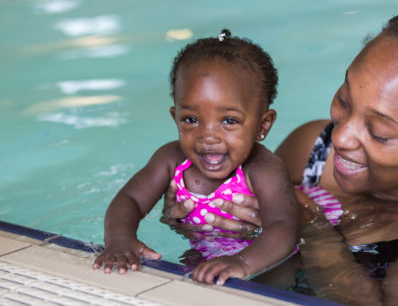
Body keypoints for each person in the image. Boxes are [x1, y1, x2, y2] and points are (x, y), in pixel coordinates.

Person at [161, 0, 398, 305]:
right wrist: (201, 216)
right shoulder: (311, 148)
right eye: (345, 99)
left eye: (379, 132)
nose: (342, 136)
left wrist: (309, 228)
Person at [93, 30, 299, 286]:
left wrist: (242, 263)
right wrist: (120, 240)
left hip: (262, 265)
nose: (208, 136)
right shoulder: (171, 159)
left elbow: (284, 227)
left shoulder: (264, 169)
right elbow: (130, 199)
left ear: (262, 125)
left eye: (229, 120)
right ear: (175, 116)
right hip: (200, 256)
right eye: (191, 119)